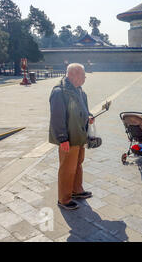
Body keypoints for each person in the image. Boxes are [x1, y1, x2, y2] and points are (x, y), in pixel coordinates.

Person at [49, 63, 94, 211]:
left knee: (77, 164)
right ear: (72, 75)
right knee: (67, 168)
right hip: (68, 136)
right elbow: (57, 117)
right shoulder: (59, 92)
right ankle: (64, 199)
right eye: (82, 75)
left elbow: (84, 110)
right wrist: (62, 138)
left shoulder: (79, 91)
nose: (85, 77)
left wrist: (90, 116)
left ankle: (76, 190)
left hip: (79, 134)